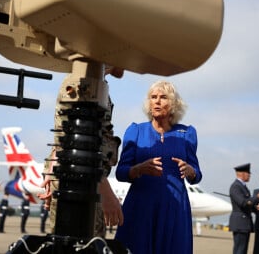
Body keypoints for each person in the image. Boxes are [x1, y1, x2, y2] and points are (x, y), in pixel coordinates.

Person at [115, 80, 202, 254]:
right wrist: (139, 169)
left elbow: (197, 174)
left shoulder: (187, 134)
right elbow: (120, 172)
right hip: (141, 206)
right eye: (153, 97)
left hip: (175, 208)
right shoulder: (136, 131)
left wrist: (191, 171)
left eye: (163, 97)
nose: (157, 101)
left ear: (173, 104)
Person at [39, 65, 124, 236]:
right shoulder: (82, 82)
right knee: (81, 242)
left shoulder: (95, 83)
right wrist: (105, 192)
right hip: (82, 181)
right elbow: (75, 141)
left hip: (87, 180)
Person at [229, 163, 259, 254]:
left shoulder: (242, 187)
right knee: (239, 250)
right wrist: (257, 198)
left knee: (243, 250)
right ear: (242, 174)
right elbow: (243, 203)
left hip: (244, 224)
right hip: (240, 224)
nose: (249, 176)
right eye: (248, 173)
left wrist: (256, 207)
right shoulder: (236, 186)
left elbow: (248, 204)